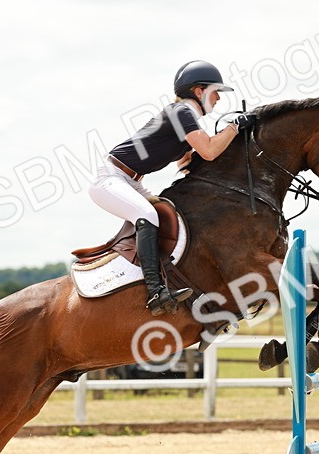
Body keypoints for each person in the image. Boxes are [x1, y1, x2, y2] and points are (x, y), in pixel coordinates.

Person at [89, 60, 256, 316]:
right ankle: (155, 291)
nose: (219, 100)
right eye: (216, 92)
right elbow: (209, 151)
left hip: (131, 181)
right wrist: (234, 128)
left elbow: (188, 163)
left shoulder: (185, 117)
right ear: (199, 91)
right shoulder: (182, 112)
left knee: (173, 215)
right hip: (110, 179)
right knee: (147, 215)